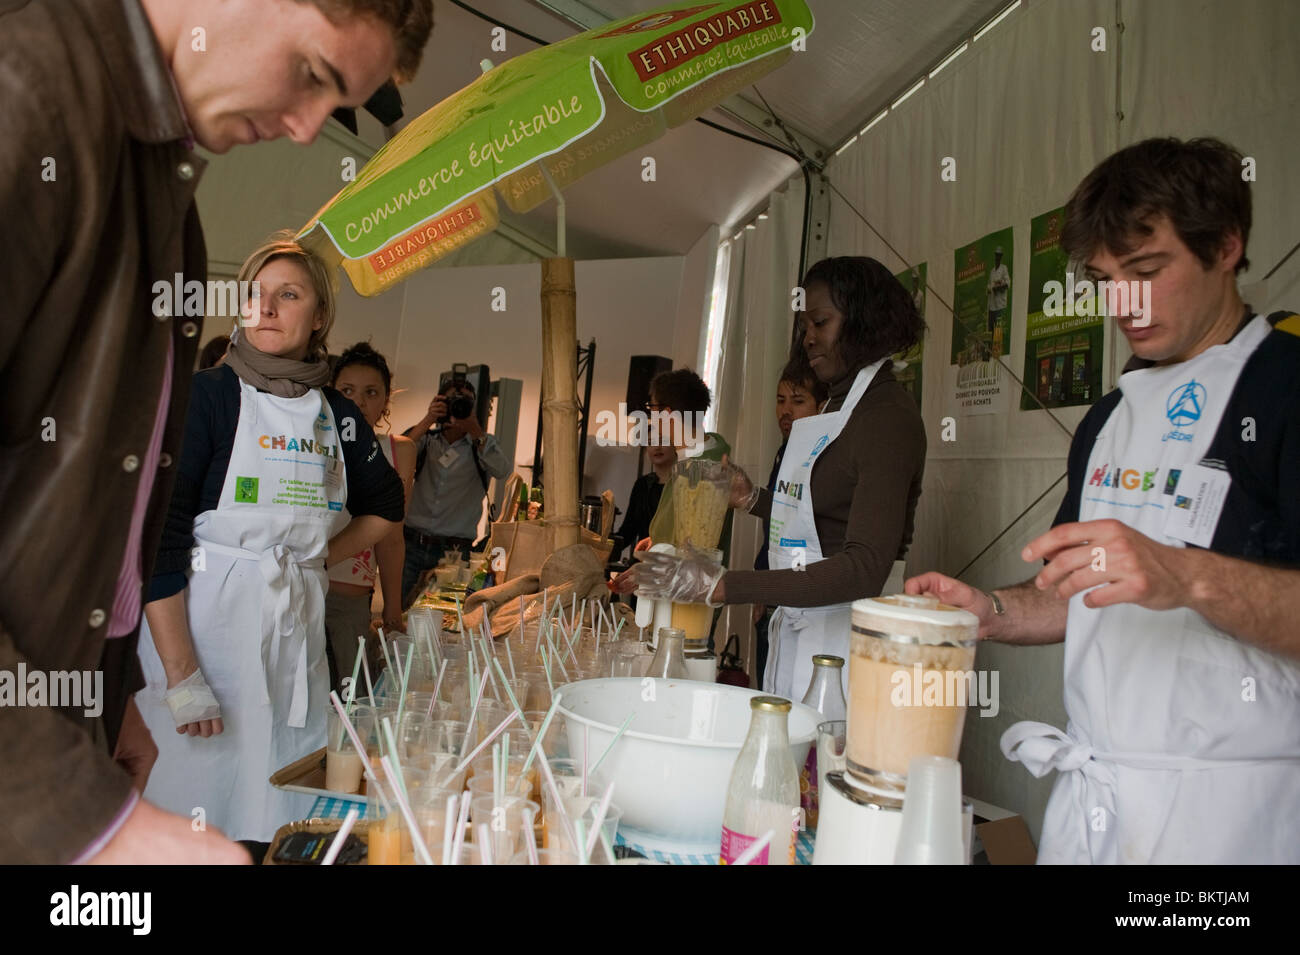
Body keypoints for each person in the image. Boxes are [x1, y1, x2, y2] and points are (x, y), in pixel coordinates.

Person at [0, 0, 432, 864]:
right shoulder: (32, 95)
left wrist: (109, 689)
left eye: (336, 103)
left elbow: (96, 509)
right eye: (313, 73)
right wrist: (75, 808)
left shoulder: (169, 208)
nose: (310, 130)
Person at [907, 137, 1300, 865]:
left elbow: (1173, 576)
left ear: (1226, 247)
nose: (1123, 302)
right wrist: (988, 610)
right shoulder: (1110, 415)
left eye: (1148, 270)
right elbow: (1077, 588)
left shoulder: (1284, 390)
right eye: (1104, 278)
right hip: (1097, 807)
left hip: (1231, 822)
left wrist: (1186, 574)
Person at [137, 234, 405, 849]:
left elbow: (386, 506)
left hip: (294, 645)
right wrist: (183, 677)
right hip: (205, 643)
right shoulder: (205, 396)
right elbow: (160, 542)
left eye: (288, 295)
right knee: (191, 816)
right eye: (255, 294)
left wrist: (311, 558)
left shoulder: (336, 412)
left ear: (319, 317)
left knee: (276, 812)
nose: (266, 308)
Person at [616, 257, 927, 700]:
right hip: (804, 626)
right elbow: (821, 518)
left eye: (821, 322)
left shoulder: (886, 418)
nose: (809, 338)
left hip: (848, 642)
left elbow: (863, 567)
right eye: (804, 326)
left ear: (865, 321)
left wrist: (723, 585)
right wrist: (753, 499)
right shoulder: (838, 409)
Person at [326, 342, 417, 691]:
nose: (358, 402)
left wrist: (392, 612)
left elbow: (392, 537)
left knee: (349, 705)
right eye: (346, 390)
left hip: (350, 603)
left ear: (386, 401)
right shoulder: (309, 440)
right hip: (298, 593)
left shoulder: (398, 450)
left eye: (371, 392)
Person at [401, 377, 513, 607]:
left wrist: (475, 430)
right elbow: (397, 454)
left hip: (453, 551)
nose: (457, 407)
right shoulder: (427, 440)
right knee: (398, 609)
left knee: (444, 614)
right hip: (412, 543)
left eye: (465, 403)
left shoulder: (482, 445)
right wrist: (428, 419)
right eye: (451, 401)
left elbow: (502, 470)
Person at [752, 362, 828, 683]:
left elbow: (803, 524)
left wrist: (750, 497)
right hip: (772, 592)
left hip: (805, 601)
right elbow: (777, 528)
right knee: (766, 688)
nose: (786, 411)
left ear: (822, 406)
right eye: (780, 400)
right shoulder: (786, 451)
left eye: (798, 402)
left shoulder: (822, 456)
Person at [986, 246, 1011, 353]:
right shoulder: (992, 271)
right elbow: (989, 286)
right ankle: (990, 351)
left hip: (1000, 305)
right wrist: (989, 289)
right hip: (991, 305)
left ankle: (997, 351)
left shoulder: (1004, 268)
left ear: (1001, 257)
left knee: (998, 330)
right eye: (996, 255)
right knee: (990, 330)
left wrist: (998, 288)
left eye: (999, 255)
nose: (997, 257)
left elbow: (1007, 284)